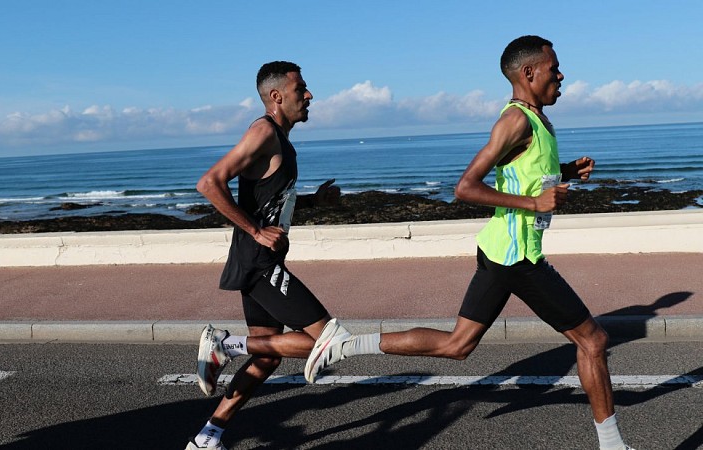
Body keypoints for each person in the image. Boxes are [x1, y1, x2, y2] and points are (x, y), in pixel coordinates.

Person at [304, 36, 635, 450]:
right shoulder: (514, 121)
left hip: (502, 251)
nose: (561, 74)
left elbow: (519, 170)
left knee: (458, 345)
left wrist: (565, 169)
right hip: (518, 257)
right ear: (529, 73)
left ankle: (348, 344)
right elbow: (465, 187)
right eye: (554, 68)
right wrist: (535, 202)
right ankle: (612, 446)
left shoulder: (535, 120)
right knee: (594, 340)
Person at [186, 61, 344, 450]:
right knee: (327, 340)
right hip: (258, 260)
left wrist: (312, 201)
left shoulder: (280, 140)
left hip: (261, 260)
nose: (309, 96)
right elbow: (209, 182)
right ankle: (225, 344)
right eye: (300, 89)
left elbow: (269, 200)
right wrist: (255, 230)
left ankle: (209, 435)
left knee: (268, 356)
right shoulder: (263, 132)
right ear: (276, 96)